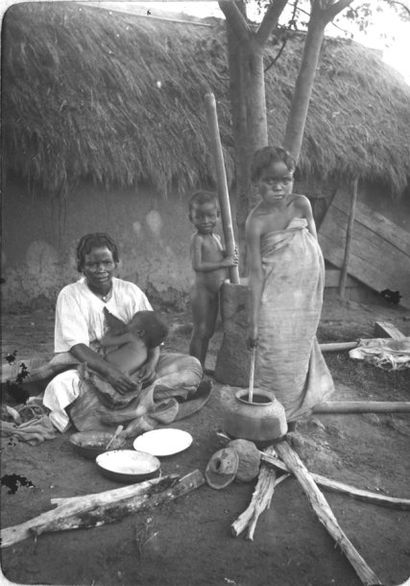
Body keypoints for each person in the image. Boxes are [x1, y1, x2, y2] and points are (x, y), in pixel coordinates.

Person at [42, 233, 204, 433]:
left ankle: (134, 408)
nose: (101, 269)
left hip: (138, 367)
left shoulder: (131, 291)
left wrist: (152, 366)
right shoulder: (70, 295)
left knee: (192, 367)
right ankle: (149, 404)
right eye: (92, 264)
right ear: (81, 265)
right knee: (61, 387)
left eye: (106, 262)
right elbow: (78, 347)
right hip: (95, 369)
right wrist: (112, 374)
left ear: (116, 263)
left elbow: (153, 334)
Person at [246, 146, 334, 430]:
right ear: (256, 181)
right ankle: (270, 414)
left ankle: (292, 416)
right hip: (274, 297)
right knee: (272, 355)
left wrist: (315, 286)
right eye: (271, 181)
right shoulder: (255, 222)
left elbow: (312, 245)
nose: (280, 187)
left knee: (297, 354)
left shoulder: (301, 205)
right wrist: (254, 321)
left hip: (303, 297)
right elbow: (257, 273)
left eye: (286, 180)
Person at [188, 191, 238, 368]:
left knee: (208, 332)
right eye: (199, 217)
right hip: (201, 291)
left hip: (214, 291)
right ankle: (194, 368)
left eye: (210, 216)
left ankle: (200, 366)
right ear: (191, 218)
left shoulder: (216, 238)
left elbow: (219, 256)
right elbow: (198, 266)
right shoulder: (198, 239)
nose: (205, 221)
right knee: (200, 330)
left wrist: (228, 254)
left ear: (218, 215)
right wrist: (223, 262)